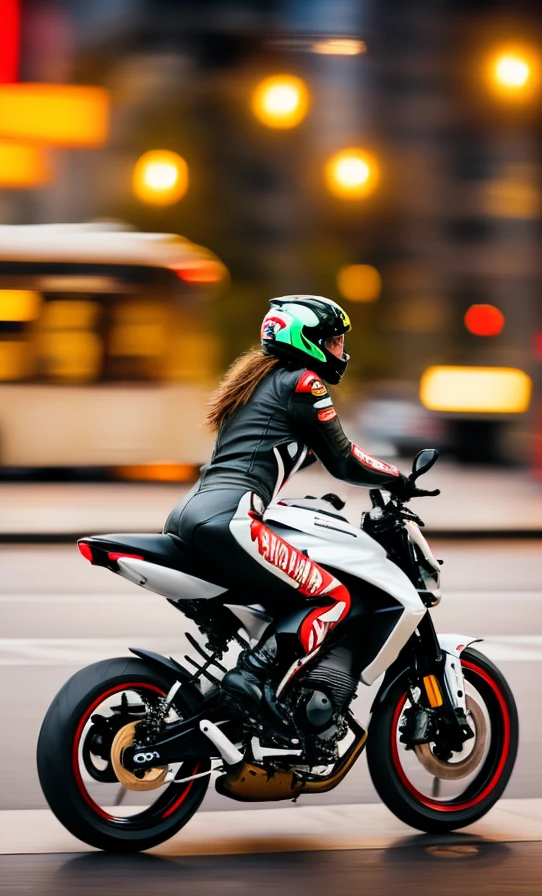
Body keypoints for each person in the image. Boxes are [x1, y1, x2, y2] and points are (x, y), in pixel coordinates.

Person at [164, 295, 411, 740]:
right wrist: (398, 477)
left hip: (191, 514)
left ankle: (239, 703)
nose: (340, 351)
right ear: (306, 342)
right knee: (334, 599)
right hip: (232, 520)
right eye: (334, 340)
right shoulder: (304, 385)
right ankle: (252, 680)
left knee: (282, 602)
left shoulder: (256, 383)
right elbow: (343, 460)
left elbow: (278, 452)